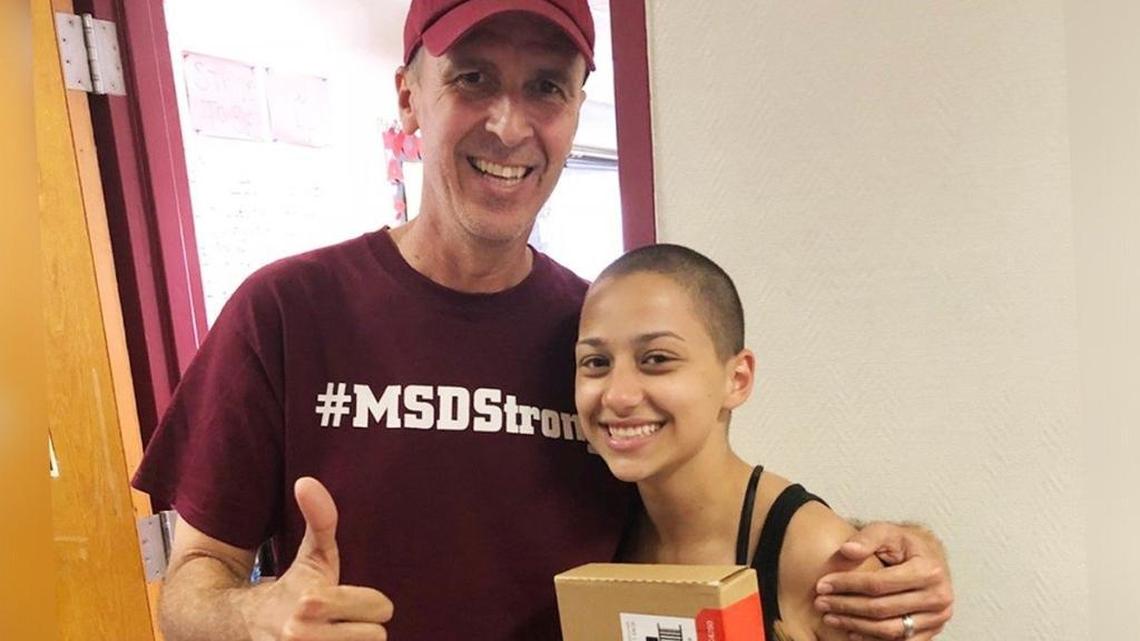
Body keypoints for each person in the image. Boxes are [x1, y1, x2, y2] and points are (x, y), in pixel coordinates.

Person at [133, 1, 954, 640]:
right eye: (473, 77)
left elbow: (708, 506)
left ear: (574, 111)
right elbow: (190, 585)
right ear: (409, 96)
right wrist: (257, 615)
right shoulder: (285, 309)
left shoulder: (595, 342)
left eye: (546, 87)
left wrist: (890, 548)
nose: (509, 123)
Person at [575, 244, 951, 641]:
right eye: (596, 363)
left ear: (737, 379)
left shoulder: (816, 555)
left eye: (657, 359)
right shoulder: (599, 525)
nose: (617, 395)